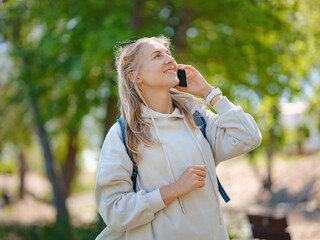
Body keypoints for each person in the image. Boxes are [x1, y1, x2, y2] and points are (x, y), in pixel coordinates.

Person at [94, 35, 262, 240]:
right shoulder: (123, 134)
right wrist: (173, 190)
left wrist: (209, 93)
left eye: (168, 54)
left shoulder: (198, 120)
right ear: (136, 77)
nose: (169, 60)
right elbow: (115, 211)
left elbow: (249, 137)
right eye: (157, 56)